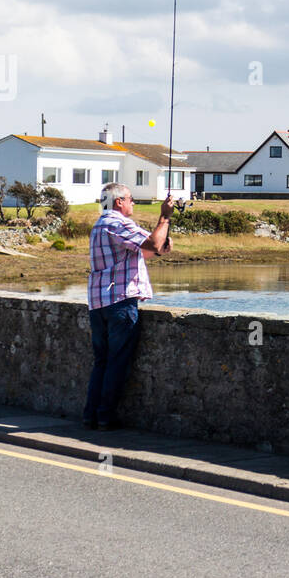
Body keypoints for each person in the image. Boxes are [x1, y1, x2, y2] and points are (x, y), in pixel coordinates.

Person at [82, 184, 175, 430]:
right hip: (120, 301)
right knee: (116, 362)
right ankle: (105, 417)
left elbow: (144, 251)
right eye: (131, 199)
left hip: (98, 302)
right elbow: (153, 244)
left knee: (102, 361)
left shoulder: (100, 225)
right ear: (119, 201)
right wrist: (165, 216)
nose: (133, 203)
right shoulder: (117, 223)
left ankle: (91, 415)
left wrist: (160, 246)